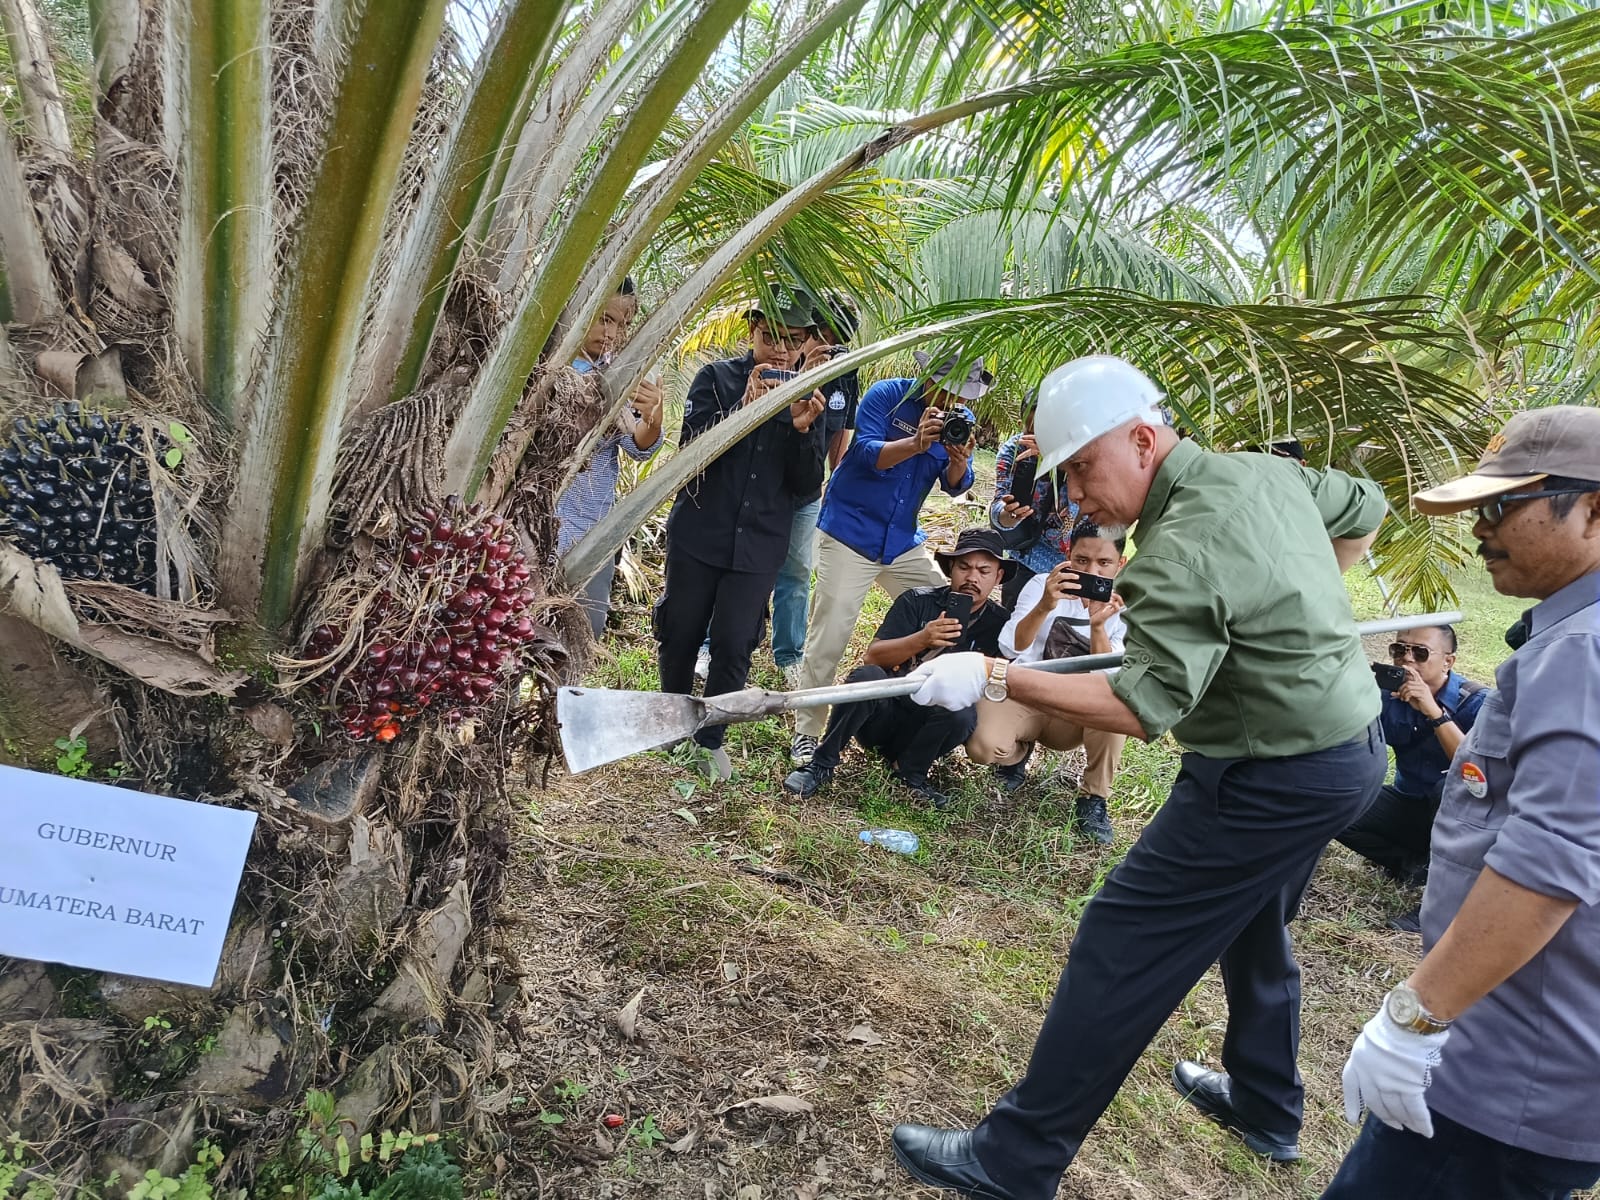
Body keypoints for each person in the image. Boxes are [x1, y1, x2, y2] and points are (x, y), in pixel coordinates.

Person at [888, 354, 1389, 1198]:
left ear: (1146, 440)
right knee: (1255, 920)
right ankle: (1268, 1105)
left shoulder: (1180, 549)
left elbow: (1140, 703)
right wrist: (1300, 603)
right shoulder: (1262, 472)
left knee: (1120, 945)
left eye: (1084, 466)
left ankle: (1013, 1161)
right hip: (1346, 754)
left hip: (1267, 776)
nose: (1077, 494)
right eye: (1066, 473)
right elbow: (1364, 507)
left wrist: (995, 676)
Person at [1326, 405, 1600, 1200]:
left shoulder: (1583, 651)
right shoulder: (1569, 635)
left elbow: (1549, 864)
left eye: (1502, 506)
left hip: (1506, 1075)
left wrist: (1416, 1021)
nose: (1481, 527)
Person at [653, 296, 826, 780]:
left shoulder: (811, 396)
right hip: (699, 533)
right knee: (681, 630)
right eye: (770, 336)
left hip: (758, 546)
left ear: (806, 344)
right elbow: (692, 451)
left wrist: (801, 430)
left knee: (734, 642)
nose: (778, 350)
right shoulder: (717, 378)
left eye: (791, 341)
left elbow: (808, 484)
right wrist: (743, 408)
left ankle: (709, 738)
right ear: (752, 330)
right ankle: (671, 723)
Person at [788, 350, 985, 766]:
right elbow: (863, 454)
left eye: (963, 396)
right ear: (928, 375)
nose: (954, 402)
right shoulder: (887, 396)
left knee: (948, 611)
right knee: (831, 632)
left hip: (900, 542)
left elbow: (955, 486)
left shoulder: (959, 419)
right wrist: (916, 443)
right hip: (851, 533)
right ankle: (807, 731)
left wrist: (958, 460)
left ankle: (912, 717)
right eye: (949, 391)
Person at [782, 528, 1011, 808]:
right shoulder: (917, 600)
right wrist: (922, 638)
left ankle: (911, 773)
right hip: (884, 713)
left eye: (984, 571)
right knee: (867, 677)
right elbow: (873, 657)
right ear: (951, 568)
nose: (972, 578)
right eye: (964, 567)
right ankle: (821, 763)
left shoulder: (1001, 625)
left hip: (929, 727)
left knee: (962, 714)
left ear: (998, 577)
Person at [965, 521, 1129, 841]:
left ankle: (1093, 798)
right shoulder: (1042, 584)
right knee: (982, 746)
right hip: (1027, 693)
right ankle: (1015, 757)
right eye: (1081, 560)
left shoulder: (1124, 606)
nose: (1091, 570)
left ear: (1120, 564)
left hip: (1075, 710)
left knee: (1119, 704)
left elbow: (1108, 678)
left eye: (1104, 563)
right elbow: (1011, 646)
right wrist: (1045, 605)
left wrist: (1098, 627)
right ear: (1068, 554)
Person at [1336, 624, 1488, 932]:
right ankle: (1411, 865)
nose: (1407, 660)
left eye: (1420, 653)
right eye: (1399, 650)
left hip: (1461, 819)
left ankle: (1439, 906)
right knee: (1336, 800)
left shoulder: (1477, 703)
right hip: (1410, 806)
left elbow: (1476, 773)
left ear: (1449, 662)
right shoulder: (1385, 695)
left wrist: (1434, 712)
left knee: (1446, 786)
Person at [553, 277, 664, 638]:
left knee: (587, 629)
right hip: (535, 523)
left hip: (591, 534)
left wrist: (653, 416)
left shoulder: (617, 376)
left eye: (621, 323)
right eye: (604, 318)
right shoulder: (545, 367)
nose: (611, 332)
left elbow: (639, 445)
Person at [769, 294, 861, 689]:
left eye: (838, 335)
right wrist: (804, 370)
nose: (828, 342)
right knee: (746, 564)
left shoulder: (846, 372)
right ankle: (713, 642)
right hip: (762, 487)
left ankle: (789, 655)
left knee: (797, 569)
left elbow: (842, 431)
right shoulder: (778, 364)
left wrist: (833, 483)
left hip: (806, 491)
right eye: (821, 332)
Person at [990, 390, 1079, 612]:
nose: (1037, 437)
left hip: (1079, 563)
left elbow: (1097, 493)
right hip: (1029, 558)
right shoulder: (1014, 450)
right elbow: (999, 507)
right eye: (1031, 429)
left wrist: (1059, 460)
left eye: (1046, 430)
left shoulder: (1081, 450)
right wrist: (1008, 514)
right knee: (1015, 630)